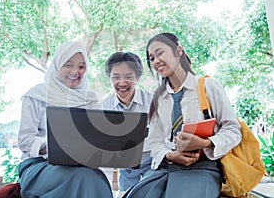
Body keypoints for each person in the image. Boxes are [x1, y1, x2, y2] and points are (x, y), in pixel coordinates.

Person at [123, 32, 242, 198]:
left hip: (202, 167)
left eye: (160, 53)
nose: (156, 61)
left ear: (178, 51)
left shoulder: (207, 86)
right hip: (168, 166)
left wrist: (206, 142)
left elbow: (233, 130)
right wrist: (171, 155)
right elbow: (155, 141)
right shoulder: (158, 98)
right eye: (151, 58)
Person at [17, 41, 113, 198]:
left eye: (81, 67)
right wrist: (54, 147)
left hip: (81, 166)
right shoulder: (36, 95)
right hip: (40, 166)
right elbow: (25, 140)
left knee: (96, 177)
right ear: (57, 65)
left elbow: (95, 137)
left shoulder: (90, 99)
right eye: (68, 65)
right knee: (86, 178)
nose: (75, 71)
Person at [101, 52, 153, 195]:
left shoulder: (152, 102)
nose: (122, 83)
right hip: (125, 166)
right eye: (116, 77)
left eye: (129, 77)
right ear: (109, 78)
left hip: (152, 163)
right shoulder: (104, 107)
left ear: (137, 77)